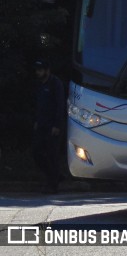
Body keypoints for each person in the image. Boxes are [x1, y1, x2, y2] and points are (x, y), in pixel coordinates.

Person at [32, 58, 65, 193]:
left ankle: (53, 185)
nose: (37, 72)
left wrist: (57, 124)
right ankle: (56, 176)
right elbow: (38, 105)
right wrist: (36, 120)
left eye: (40, 70)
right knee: (37, 152)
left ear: (47, 70)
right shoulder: (39, 85)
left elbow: (60, 104)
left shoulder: (55, 83)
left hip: (53, 125)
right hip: (41, 124)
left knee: (52, 154)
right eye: (37, 70)